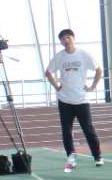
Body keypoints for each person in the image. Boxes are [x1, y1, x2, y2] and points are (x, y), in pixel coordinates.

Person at [44, 28, 103, 171]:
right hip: (64, 100)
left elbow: (98, 69)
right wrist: (56, 86)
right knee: (66, 132)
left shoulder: (83, 55)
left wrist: (93, 86)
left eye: (68, 37)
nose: (66, 40)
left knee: (88, 129)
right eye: (63, 39)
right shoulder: (59, 57)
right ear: (61, 42)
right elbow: (48, 72)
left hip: (82, 99)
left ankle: (97, 157)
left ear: (73, 38)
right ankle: (71, 159)